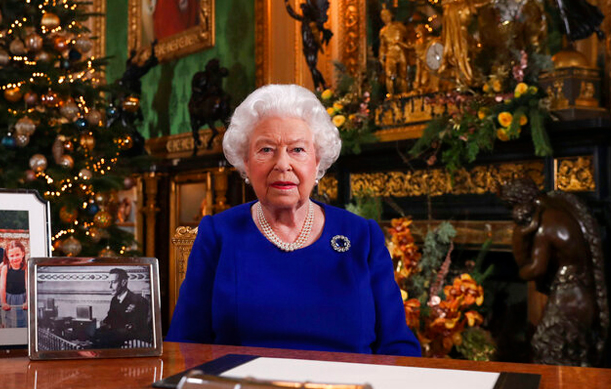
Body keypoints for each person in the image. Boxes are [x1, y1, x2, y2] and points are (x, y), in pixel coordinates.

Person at [167, 84, 421, 356]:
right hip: (242, 382)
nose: (282, 164)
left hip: (348, 383)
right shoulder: (218, 234)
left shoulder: (361, 235)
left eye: (297, 149)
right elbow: (184, 344)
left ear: (317, 160)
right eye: (266, 149)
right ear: (245, 162)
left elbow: (397, 345)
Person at [94, 268, 150, 348]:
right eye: (109, 282)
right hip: (116, 336)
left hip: (131, 340)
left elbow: (136, 327)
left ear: (123, 282)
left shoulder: (139, 301)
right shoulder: (114, 300)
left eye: (113, 282)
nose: (110, 286)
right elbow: (109, 318)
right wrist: (99, 324)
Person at [0, 240, 28, 329]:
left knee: (23, 322)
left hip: (22, 298)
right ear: (7, 256)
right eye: (12, 256)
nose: (15, 258)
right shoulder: (5, 268)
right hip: (8, 298)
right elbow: (2, 287)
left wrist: (27, 301)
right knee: (8, 322)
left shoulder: (26, 268)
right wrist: (3, 302)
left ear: (23, 254)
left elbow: (28, 286)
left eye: (17, 255)